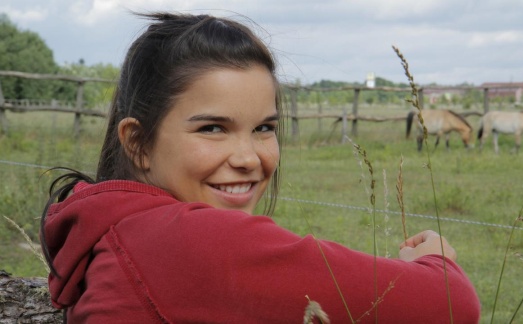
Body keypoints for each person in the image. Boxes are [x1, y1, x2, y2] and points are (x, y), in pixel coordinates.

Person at [40, 12, 481, 323]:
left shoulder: (113, 227)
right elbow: (451, 305)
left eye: (264, 128)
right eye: (213, 128)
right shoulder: (190, 241)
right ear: (138, 143)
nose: (249, 158)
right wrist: (435, 261)